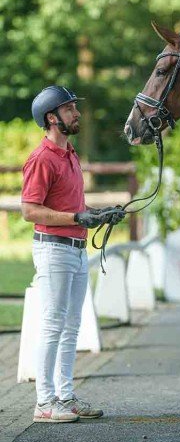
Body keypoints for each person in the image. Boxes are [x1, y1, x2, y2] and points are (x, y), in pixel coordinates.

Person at [21, 86, 125, 423]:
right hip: (54, 250)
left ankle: (65, 395)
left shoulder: (70, 153)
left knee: (71, 326)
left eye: (74, 109)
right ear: (52, 118)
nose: (76, 114)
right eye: (68, 110)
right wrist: (77, 218)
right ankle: (44, 403)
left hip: (77, 250)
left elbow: (72, 206)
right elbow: (30, 210)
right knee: (53, 325)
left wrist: (100, 213)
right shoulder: (42, 159)